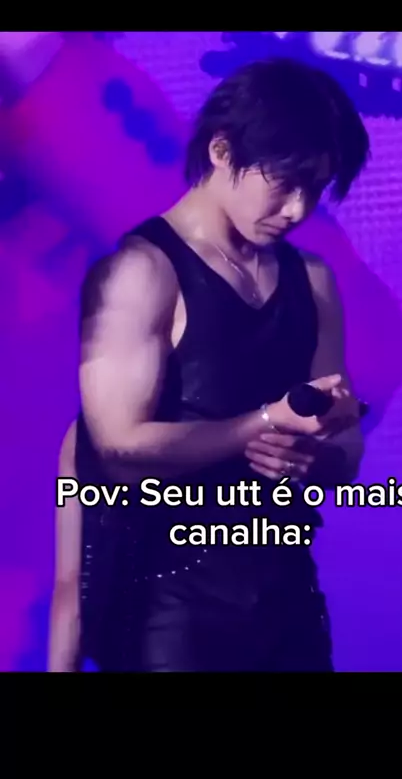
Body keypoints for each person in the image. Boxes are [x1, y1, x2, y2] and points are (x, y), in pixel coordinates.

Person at [49, 56, 370, 672]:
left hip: (288, 601)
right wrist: (264, 423)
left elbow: (345, 450)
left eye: (316, 188)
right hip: (169, 615)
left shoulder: (313, 282)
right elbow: (115, 449)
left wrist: (317, 456)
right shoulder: (143, 272)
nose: (298, 209)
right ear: (222, 151)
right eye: (285, 182)